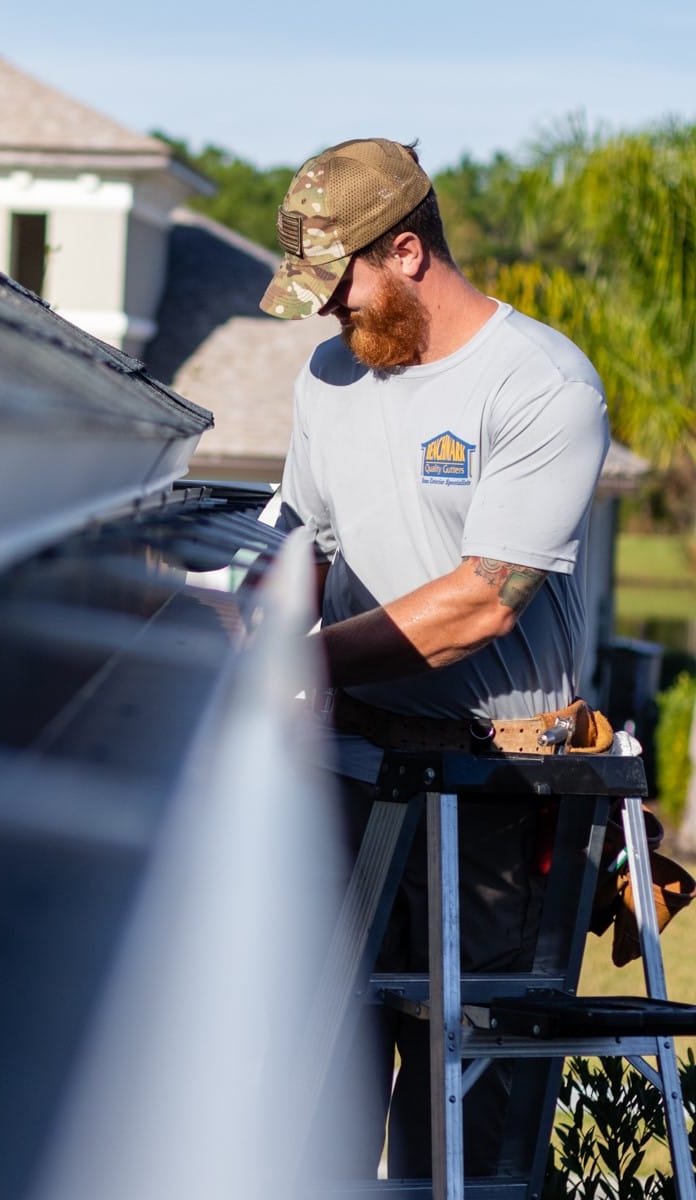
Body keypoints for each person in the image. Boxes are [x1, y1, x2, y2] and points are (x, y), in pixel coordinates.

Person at [259, 138, 610, 1177]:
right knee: (314, 1074)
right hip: (349, 769)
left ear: (406, 251)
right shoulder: (330, 374)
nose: (329, 315)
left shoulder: (541, 382)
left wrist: (303, 665)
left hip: (493, 780)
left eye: (341, 286)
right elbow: (302, 550)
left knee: (467, 1104)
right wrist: (256, 631)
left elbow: (483, 602)